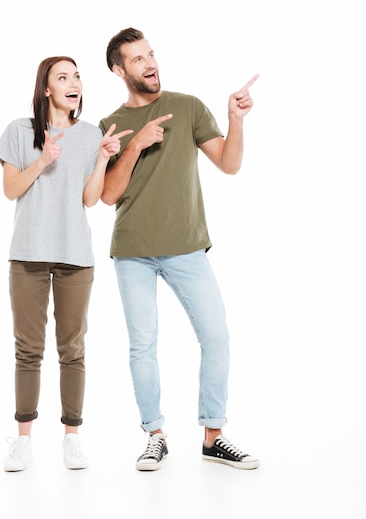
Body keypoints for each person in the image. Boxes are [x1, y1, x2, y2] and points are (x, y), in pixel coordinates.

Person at [99, 27, 260, 471]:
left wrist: (237, 120)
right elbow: (108, 195)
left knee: (216, 337)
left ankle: (213, 436)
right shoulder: (109, 125)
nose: (150, 63)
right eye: (137, 59)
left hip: (187, 247)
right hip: (132, 249)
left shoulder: (188, 107)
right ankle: (155, 435)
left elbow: (229, 164)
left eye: (150, 54)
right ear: (118, 69)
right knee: (142, 346)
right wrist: (135, 144)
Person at [0, 56, 131, 472]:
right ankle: (23, 440)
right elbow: (10, 189)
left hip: (76, 255)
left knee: (73, 349)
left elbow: (91, 199)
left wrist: (104, 156)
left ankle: (72, 437)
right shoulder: (19, 130)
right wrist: (43, 160)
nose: (74, 83)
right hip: (28, 253)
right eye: (63, 77)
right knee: (28, 350)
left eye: (77, 76)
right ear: (47, 88)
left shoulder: (91, 134)